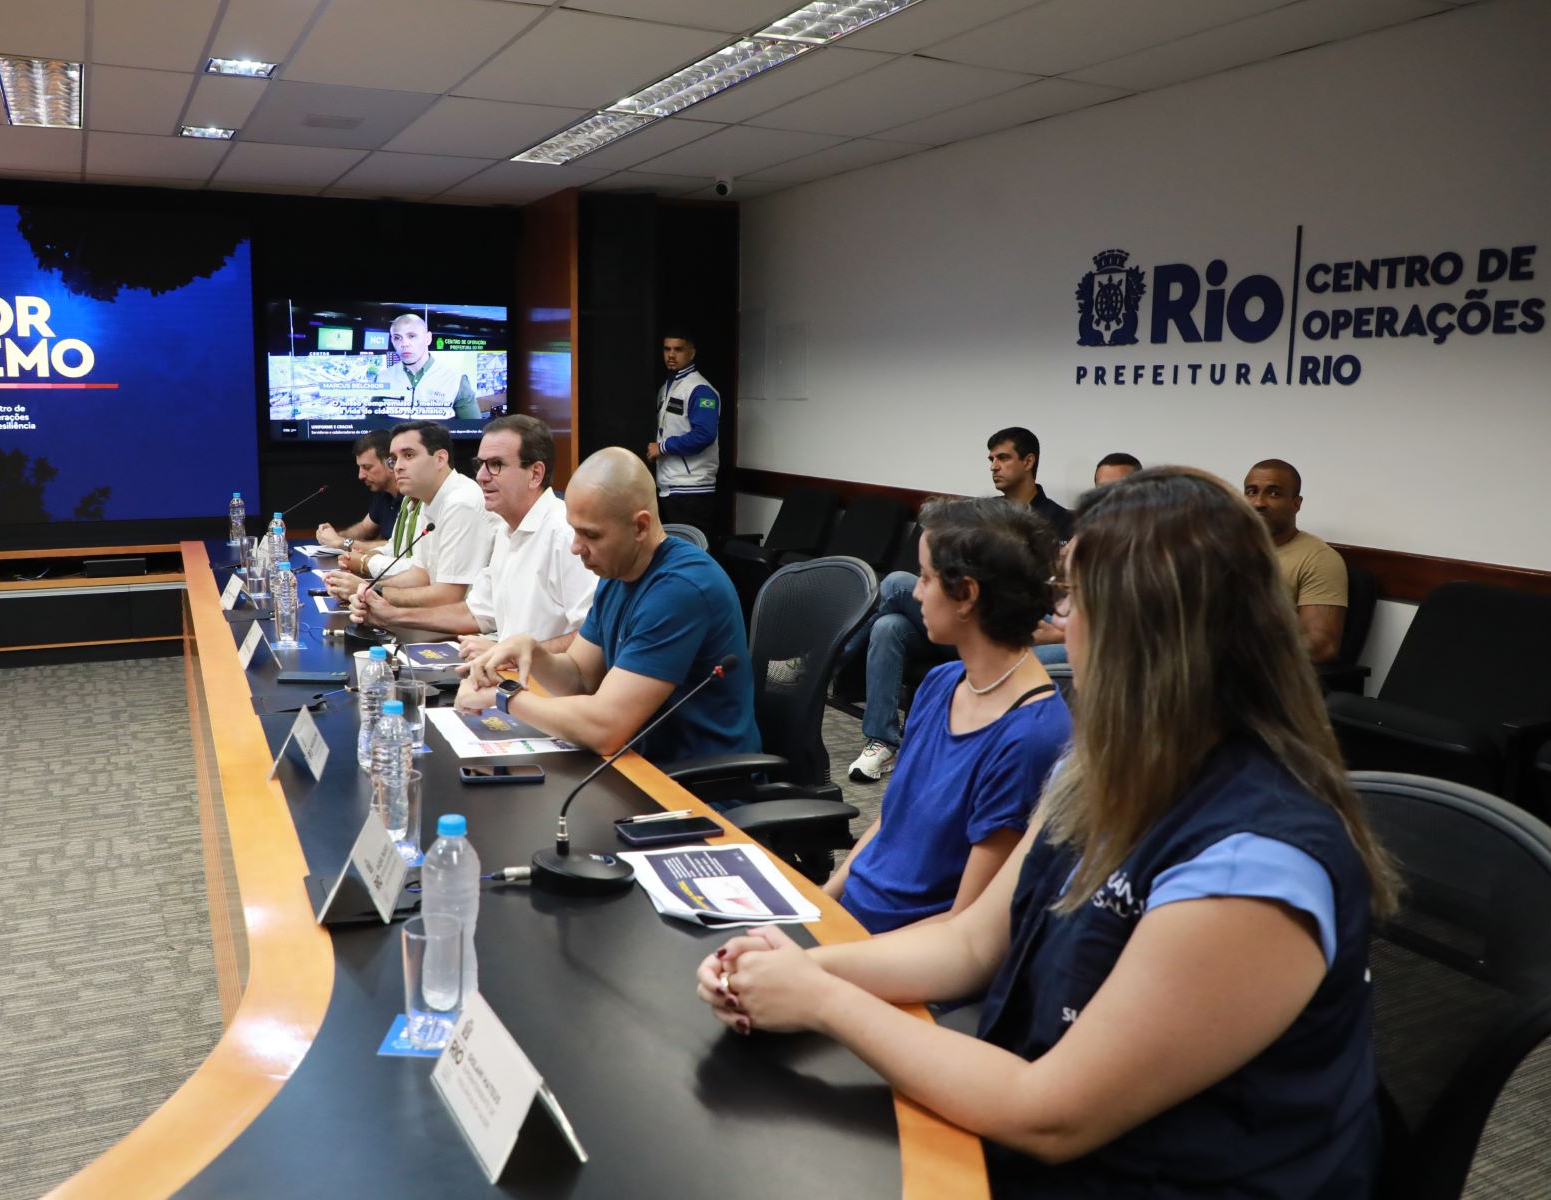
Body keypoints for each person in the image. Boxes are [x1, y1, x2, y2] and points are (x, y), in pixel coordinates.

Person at [697, 467, 1400, 1198]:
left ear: (1143, 629)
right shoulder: (1102, 769)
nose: (1061, 622)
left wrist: (821, 1001)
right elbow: (971, 944)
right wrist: (802, 966)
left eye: (1073, 599)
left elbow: (1051, 1115)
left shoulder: (1257, 862)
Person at [826, 498, 1070, 933]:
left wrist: (830, 959)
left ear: (967, 595)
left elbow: (963, 927)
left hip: (904, 957)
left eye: (925, 577)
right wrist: (820, 905)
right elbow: (889, 823)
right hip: (851, 927)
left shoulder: (1032, 737)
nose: (916, 591)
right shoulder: (941, 683)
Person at [457, 447, 756, 768]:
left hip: (696, 785)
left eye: (591, 535)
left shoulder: (681, 589)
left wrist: (506, 696)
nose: (575, 547)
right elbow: (580, 677)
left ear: (640, 527)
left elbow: (605, 728)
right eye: (574, 530)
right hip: (632, 763)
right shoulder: (618, 570)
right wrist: (531, 650)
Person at [346, 415, 596, 654]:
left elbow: (594, 637)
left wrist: (509, 653)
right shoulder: (507, 532)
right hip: (509, 675)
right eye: (480, 465)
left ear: (535, 474)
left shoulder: (565, 534)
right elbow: (475, 613)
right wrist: (391, 614)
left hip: (546, 688)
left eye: (496, 465)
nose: (481, 476)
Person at [326, 421, 496, 612]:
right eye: (393, 459)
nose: (397, 467)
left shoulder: (461, 502)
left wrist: (368, 591)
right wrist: (369, 590)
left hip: (467, 625)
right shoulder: (428, 498)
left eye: (408, 455)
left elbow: (450, 596)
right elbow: (420, 574)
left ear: (440, 459)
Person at [1034, 452, 1141, 665]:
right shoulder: (1094, 529)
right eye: (1100, 489)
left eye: (1115, 489)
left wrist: (1059, 634)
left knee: (1008, 662)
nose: (1105, 498)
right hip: (1072, 619)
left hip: (1102, 641)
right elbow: (1059, 581)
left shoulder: (1143, 542)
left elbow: (1128, 626)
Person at [1244, 458, 1348, 662]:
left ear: (1296, 503)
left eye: (1274, 493)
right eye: (1252, 492)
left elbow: (1321, 645)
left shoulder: (1318, 559)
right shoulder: (1222, 548)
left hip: (1261, 673)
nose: (1259, 503)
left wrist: (1239, 651)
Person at [646, 328, 721, 537]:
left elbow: (704, 435)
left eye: (678, 349)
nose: (671, 355)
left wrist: (662, 447)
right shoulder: (667, 387)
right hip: (669, 485)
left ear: (692, 353)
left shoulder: (700, 390)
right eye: (667, 349)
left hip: (693, 490)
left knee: (692, 553)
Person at [378, 313, 480, 421]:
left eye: (411, 336)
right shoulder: (382, 378)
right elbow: (371, 429)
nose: (404, 344)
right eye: (397, 338)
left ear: (428, 338)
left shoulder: (455, 379)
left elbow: (473, 430)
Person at [314, 429, 402, 553]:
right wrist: (336, 536)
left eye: (367, 467)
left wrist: (341, 543)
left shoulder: (413, 496)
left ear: (391, 463)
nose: (360, 476)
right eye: (360, 467)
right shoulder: (384, 494)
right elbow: (365, 529)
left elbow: (398, 548)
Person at [988, 427, 1073, 540]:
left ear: (1028, 462)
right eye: (991, 459)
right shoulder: (985, 511)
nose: (993, 467)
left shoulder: (1059, 519)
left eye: (1003, 458)